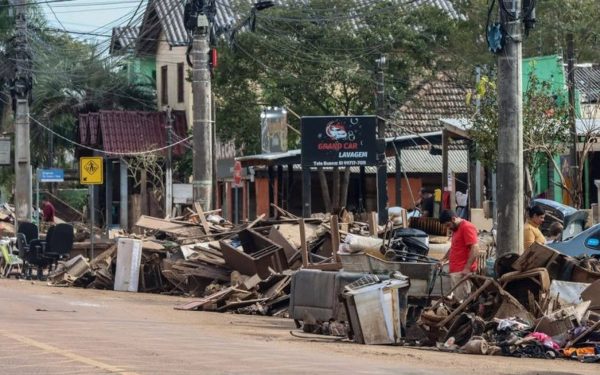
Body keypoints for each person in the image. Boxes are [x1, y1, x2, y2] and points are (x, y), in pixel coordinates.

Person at [438, 209, 479, 302]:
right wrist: (443, 260)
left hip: (462, 272)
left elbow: (475, 248)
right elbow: (454, 247)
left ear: (453, 219)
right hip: (457, 272)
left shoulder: (466, 227)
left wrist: (467, 268)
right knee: (458, 301)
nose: (448, 228)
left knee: (463, 302)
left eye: (448, 225)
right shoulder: (456, 229)